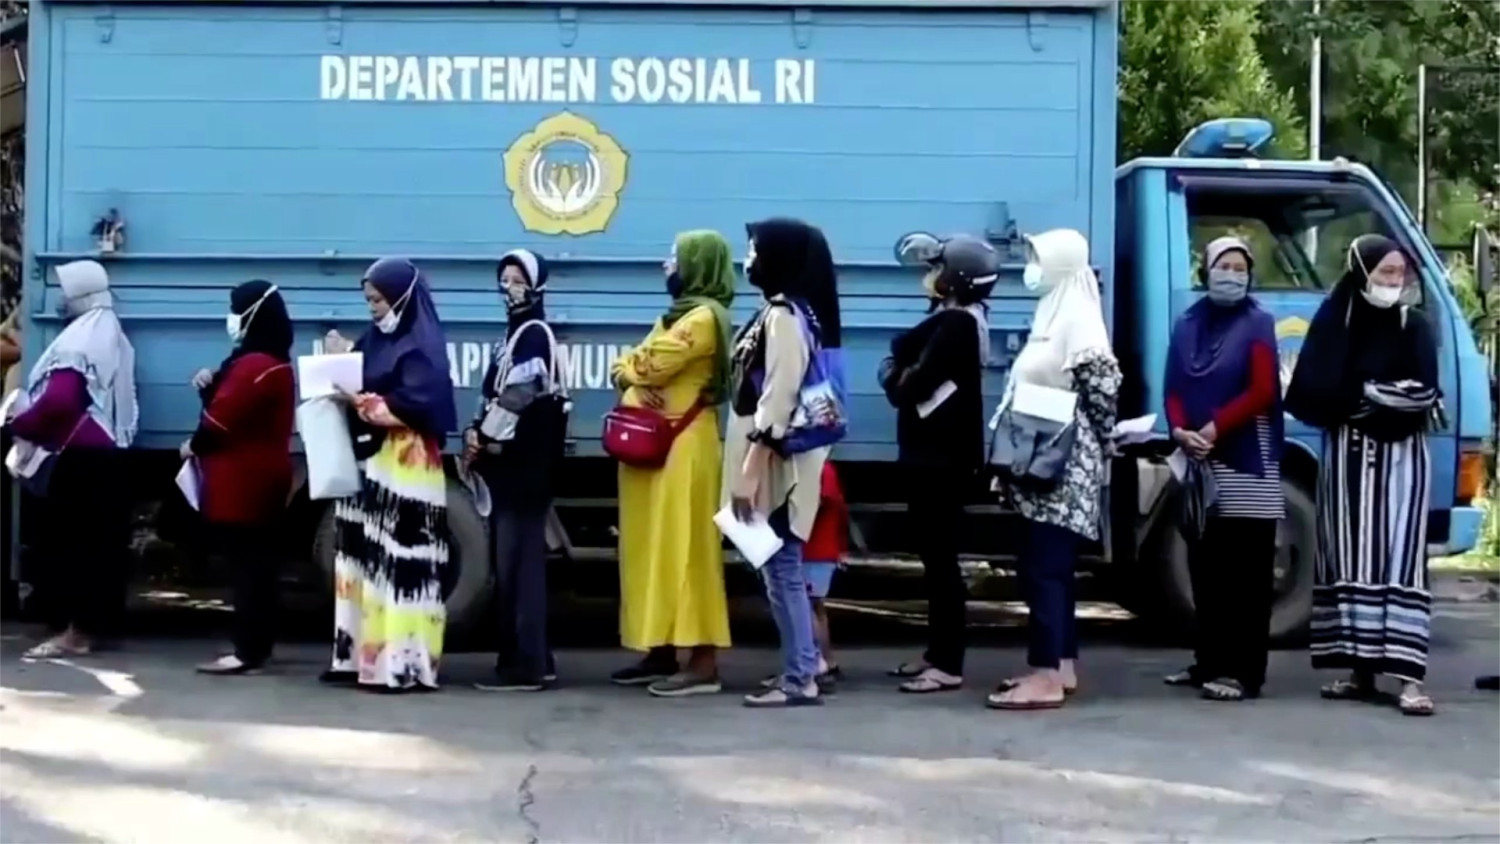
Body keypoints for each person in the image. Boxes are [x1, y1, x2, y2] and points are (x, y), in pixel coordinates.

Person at [1285, 234, 1442, 717]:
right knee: (1350, 559)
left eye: (1400, 273)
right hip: (1348, 463)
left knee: (1400, 560)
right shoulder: (1338, 324)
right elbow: (1312, 389)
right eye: (1385, 272)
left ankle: (1409, 680)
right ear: (1361, 273)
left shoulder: (1413, 326)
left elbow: (1424, 393)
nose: (1394, 282)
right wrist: (1370, 394)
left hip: (1401, 461)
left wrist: (1366, 394)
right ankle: (1359, 672)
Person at [988, 229, 1120, 711]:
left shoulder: (1080, 321)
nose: (1033, 268)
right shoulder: (1054, 312)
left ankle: (1044, 676)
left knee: (1045, 569)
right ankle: (1059, 665)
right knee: (1048, 568)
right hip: (1042, 458)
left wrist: (1099, 438)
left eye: (1040, 258)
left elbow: (1103, 391)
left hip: (1062, 465)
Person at [321, 257, 457, 692]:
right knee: (361, 558)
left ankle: (399, 665)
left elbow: (411, 406)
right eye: (368, 300)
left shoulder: (421, 349)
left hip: (405, 465)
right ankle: (359, 660)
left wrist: (357, 398)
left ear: (400, 298)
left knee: (400, 562)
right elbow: (364, 375)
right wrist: (341, 361)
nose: (373, 308)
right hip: (370, 461)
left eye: (378, 300)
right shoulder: (378, 339)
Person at [610, 230, 736, 697]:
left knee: (687, 550)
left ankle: (702, 661)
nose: (667, 266)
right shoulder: (679, 316)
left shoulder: (703, 319)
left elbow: (647, 366)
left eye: (675, 258)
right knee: (652, 548)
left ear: (698, 265)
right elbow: (631, 364)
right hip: (657, 450)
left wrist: (631, 374)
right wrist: (631, 372)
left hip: (683, 450)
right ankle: (659, 648)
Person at [1161, 237, 1284, 701]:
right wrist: (1179, 430)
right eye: (1223, 266)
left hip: (1246, 461)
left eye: (1240, 268)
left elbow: (1262, 390)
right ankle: (1208, 662)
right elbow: (1173, 386)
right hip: (1199, 459)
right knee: (1206, 568)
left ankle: (1244, 673)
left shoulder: (1258, 323)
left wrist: (1214, 428)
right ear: (1206, 271)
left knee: (1246, 575)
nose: (1231, 275)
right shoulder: (1187, 323)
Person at [725, 217, 840, 708]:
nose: (748, 259)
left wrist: (750, 471)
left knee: (783, 570)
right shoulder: (787, 312)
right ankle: (800, 669)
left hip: (774, 467)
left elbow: (779, 396)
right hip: (771, 462)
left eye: (755, 250)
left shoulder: (784, 318)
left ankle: (800, 677)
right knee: (778, 571)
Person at [882, 235, 997, 694]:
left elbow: (907, 386)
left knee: (941, 563)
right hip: (938, 459)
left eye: (936, 268)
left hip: (939, 462)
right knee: (934, 561)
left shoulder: (956, 324)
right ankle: (936, 653)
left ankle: (947, 663)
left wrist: (896, 372)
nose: (929, 276)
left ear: (955, 279)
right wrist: (901, 369)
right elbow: (906, 366)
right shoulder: (960, 320)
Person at [10, 260, 138, 658]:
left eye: (67, 293)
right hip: (107, 455)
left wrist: (19, 424)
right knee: (100, 545)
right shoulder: (108, 331)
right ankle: (92, 627)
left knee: (72, 547)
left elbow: (61, 401)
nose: (62, 301)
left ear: (83, 296)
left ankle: (74, 633)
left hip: (80, 458)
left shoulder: (80, 341)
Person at [468, 249, 569, 692]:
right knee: (515, 565)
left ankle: (524, 665)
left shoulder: (532, 335)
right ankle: (534, 660)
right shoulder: (515, 335)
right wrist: (478, 432)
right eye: (504, 280)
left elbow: (517, 396)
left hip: (523, 472)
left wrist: (483, 435)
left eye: (517, 280)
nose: (508, 288)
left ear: (536, 286)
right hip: (512, 470)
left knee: (518, 568)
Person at [190, 281, 297, 675]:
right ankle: (256, 646)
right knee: (259, 565)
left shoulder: (254, 366)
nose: (231, 318)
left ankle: (247, 651)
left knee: (248, 568)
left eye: (236, 310)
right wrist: (211, 387)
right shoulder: (270, 362)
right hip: (263, 474)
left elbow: (221, 420)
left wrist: (192, 445)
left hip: (244, 480)